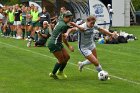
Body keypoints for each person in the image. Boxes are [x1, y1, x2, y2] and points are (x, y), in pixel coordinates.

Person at [48, 11, 75, 79]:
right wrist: (69, 46)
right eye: (69, 18)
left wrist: (69, 26)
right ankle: (53, 73)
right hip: (54, 43)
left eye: (70, 18)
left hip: (57, 42)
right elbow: (64, 39)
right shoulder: (64, 26)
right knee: (61, 60)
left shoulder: (61, 20)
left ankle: (60, 72)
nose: (70, 19)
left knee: (67, 57)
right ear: (65, 17)